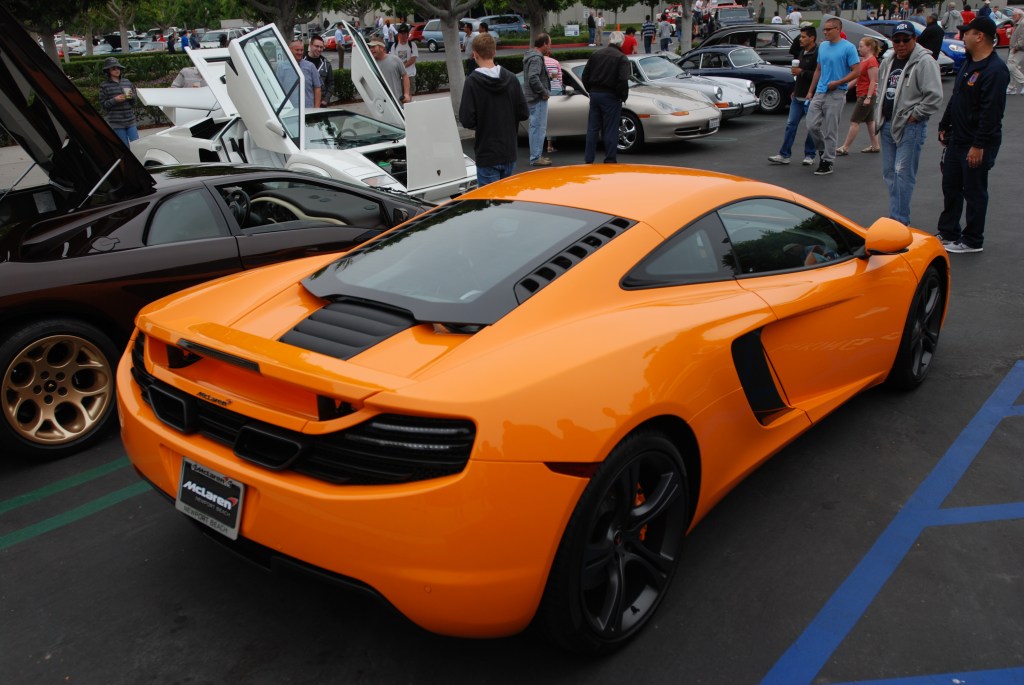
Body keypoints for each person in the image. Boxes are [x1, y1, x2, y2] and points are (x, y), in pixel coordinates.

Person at [936, 16, 1009, 252]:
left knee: (975, 191)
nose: (962, 36)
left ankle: (972, 240)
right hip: (958, 139)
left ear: (980, 36)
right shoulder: (969, 63)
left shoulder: (995, 70)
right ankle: (948, 232)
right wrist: (944, 124)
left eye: (966, 32)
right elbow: (956, 97)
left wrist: (979, 146)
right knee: (951, 186)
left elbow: (991, 114)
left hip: (977, 143)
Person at [873, 23, 943, 224]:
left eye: (906, 39)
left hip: (910, 127)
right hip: (887, 124)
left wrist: (915, 115)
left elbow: (934, 96)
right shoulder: (888, 61)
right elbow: (881, 88)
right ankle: (896, 214)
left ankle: (899, 220)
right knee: (889, 173)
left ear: (915, 39)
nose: (901, 44)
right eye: (897, 40)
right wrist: (880, 109)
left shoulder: (924, 62)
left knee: (902, 173)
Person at [458, 33, 529, 186]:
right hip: (509, 151)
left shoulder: (472, 82)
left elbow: (466, 119)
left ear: (475, 54)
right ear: (494, 52)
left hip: (487, 152)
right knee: (505, 201)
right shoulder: (511, 78)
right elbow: (523, 112)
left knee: (489, 205)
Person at [806, 17, 861, 175]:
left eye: (829, 29)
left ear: (838, 29)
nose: (825, 32)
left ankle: (828, 161)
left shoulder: (848, 48)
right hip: (820, 91)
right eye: (824, 29)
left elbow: (857, 71)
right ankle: (824, 151)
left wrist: (839, 82)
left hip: (836, 93)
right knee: (811, 125)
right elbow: (818, 69)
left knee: (831, 129)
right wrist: (811, 90)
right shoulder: (823, 46)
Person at [769, 25, 819, 166]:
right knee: (791, 125)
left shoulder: (818, 53)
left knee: (811, 127)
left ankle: (810, 154)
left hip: (811, 96)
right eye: (800, 37)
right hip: (798, 96)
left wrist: (801, 71)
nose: (800, 39)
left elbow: (818, 75)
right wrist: (794, 90)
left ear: (812, 38)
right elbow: (799, 74)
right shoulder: (802, 52)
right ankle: (784, 154)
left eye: (803, 37)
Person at [582, 31, 630, 164]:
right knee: (610, 129)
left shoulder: (596, 54)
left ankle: (589, 159)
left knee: (592, 128)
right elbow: (622, 80)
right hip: (611, 96)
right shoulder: (621, 58)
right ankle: (609, 159)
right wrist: (622, 96)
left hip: (595, 94)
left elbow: (585, 76)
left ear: (609, 41)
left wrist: (590, 90)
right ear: (621, 43)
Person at [837, 37, 882, 156]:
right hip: (863, 93)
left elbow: (873, 81)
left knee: (854, 121)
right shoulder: (864, 60)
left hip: (866, 95)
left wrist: (868, 97)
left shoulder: (872, 61)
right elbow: (857, 78)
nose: (859, 48)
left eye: (861, 46)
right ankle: (875, 145)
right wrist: (845, 88)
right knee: (870, 121)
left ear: (869, 47)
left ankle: (845, 147)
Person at [522, 33, 552, 166]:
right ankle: (536, 157)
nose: (550, 46)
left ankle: (536, 155)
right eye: (549, 44)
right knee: (538, 128)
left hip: (532, 98)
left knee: (535, 127)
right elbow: (533, 77)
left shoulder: (530, 56)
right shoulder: (537, 59)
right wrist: (544, 92)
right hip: (537, 98)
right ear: (544, 44)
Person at [98, 57, 138, 146]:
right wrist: (115, 100)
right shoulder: (104, 86)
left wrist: (131, 97)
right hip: (116, 123)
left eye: (118, 68)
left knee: (137, 145)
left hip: (130, 120)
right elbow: (103, 105)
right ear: (108, 71)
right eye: (113, 68)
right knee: (125, 147)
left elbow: (134, 102)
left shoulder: (127, 82)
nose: (117, 70)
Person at [368, 38, 410, 105]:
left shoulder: (395, 60)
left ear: (381, 47)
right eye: (370, 47)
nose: (371, 49)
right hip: (381, 104)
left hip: (397, 102)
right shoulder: (371, 64)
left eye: (373, 47)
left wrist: (406, 94)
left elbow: (405, 76)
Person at [283, 40, 322, 108]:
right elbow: (279, 89)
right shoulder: (282, 67)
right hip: (289, 110)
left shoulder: (310, 66)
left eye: (301, 50)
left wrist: (316, 110)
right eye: (297, 50)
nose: (300, 52)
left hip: (308, 110)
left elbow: (317, 88)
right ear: (290, 50)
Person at [305, 35, 335, 105]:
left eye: (321, 47)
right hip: (305, 103)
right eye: (316, 46)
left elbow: (331, 84)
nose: (319, 49)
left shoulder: (326, 64)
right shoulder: (301, 61)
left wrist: (326, 100)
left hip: (321, 104)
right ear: (311, 45)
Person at [389, 24, 418, 97]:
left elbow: (413, 59)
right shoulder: (394, 46)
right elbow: (392, 60)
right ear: (398, 34)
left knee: (408, 96)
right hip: (398, 77)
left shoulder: (412, 45)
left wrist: (403, 66)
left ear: (408, 34)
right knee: (399, 96)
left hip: (409, 75)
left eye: (405, 33)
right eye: (401, 33)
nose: (403, 35)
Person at [544, 52, 563, 153]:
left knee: (544, 117)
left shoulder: (538, 62)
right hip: (556, 90)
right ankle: (550, 145)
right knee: (553, 119)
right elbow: (560, 80)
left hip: (543, 91)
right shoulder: (555, 62)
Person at [1007, 8, 1024, 94]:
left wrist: (1017, 47)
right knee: (1012, 67)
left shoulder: (1022, 23)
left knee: (1011, 66)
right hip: (1016, 47)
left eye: (1014, 15)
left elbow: (1023, 38)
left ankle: (1022, 83)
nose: (1012, 16)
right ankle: (1011, 88)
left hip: (1018, 49)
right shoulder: (1018, 23)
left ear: (1019, 15)